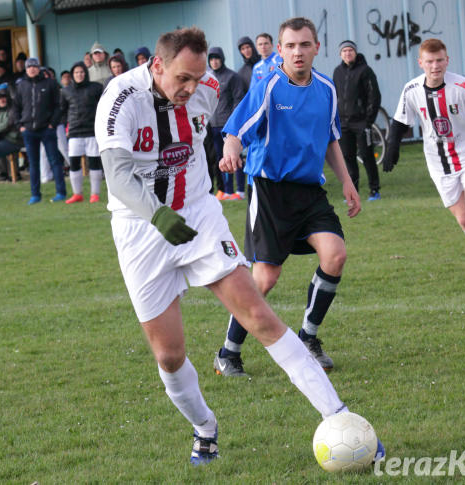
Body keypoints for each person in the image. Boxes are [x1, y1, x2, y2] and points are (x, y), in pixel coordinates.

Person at [94, 25, 382, 465]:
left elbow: (244, 116)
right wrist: (157, 215)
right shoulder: (119, 98)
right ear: (156, 65)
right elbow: (116, 175)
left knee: (258, 313)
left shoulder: (209, 88)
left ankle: (340, 416)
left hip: (198, 216)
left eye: (198, 78)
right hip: (140, 227)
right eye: (181, 80)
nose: (192, 88)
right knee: (169, 356)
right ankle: (205, 428)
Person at [213, 17, 360, 377]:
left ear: (316, 48)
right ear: (280, 50)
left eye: (304, 45)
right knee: (264, 280)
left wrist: (347, 182)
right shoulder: (268, 85)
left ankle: (308, 337)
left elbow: (330, 138)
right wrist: (231, 150)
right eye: (290, 45)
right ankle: (228, 353)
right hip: (270, 191)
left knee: (335, 255)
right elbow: (236, 129)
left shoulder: (325, 88)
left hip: (309, 193)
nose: (298, 52)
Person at [382, 38, 465, 274]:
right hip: (438, 164)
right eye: (430, 61)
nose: (435, 66)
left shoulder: (463, 86)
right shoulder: (412, 89)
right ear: (421, 63)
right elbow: (399, 121)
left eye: (439, 61)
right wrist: (392, 147)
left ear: (447, 60)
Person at [11, 57, 67, 204]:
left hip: (46, 129)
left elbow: (58, 105)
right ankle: (35, 194)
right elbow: (15, 107)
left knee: (54, 160)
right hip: (29, 130)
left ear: (39, 68)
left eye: (35, 67)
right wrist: (20, 125)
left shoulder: (50, 83)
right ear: (26, 69)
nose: (32, 69)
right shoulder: (21, 85)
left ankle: (61, 192)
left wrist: (52, 124)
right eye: (29, 67)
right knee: (33, 163)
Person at [333, 40, 382, 201]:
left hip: (361, 122)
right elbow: (336, 96)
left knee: (367, 156)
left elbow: (374, 97)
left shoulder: (365, 70)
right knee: (347, 157)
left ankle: (374, 190)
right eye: (344, 51)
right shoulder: (337, 72)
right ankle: (352, 192)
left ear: (355, 52)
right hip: (344, 123)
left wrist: (368, 121)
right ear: (340, 54)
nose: (348, 53)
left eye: (350, 51)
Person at [60, 61, 104, 203]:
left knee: (94, 163)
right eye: (77, 72)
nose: (79, 75)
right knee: (73, 163)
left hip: (92, 131)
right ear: (72, 74)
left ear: (86, 73)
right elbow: (63, 110)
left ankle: (95, 194)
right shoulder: (66, 90)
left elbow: (103, 107)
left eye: (82, 72)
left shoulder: (96, 88)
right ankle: (77, 194)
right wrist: (66, 127)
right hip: (74, 132)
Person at [206, 46, 246, 201]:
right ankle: (227, 191)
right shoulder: (208, 76)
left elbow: (238, 99)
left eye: (217, 58)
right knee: (220, 159)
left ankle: (240, 190)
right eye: (211, 59)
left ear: (222, 59)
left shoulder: (232, 77)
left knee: (234, 156)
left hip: (227, 126)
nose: (214, 62)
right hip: (212, 125)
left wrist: (233, 121)